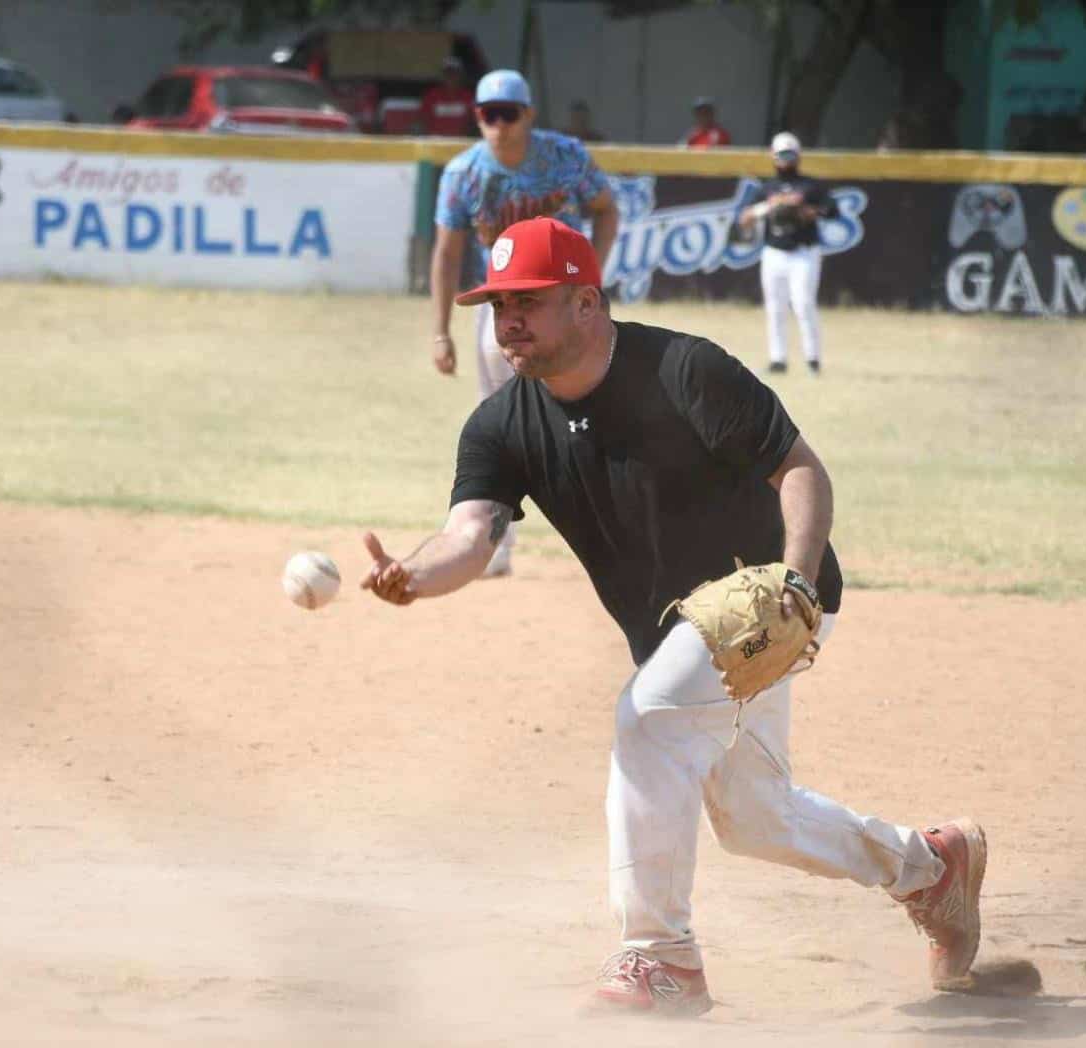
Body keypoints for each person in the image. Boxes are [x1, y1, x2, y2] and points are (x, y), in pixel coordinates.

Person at [364, 215, 986, 1016]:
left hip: (774, 599)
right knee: (757, 819)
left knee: (649, 720)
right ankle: (932, 869)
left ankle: (659, 957)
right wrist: (411, 575)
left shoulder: (685, 370)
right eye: (497, 302)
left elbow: (801, 471)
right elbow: (471, 534)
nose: (507, 319)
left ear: (587, 302)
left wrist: (795, 582)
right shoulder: (502, 423)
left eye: (528, 300)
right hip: (681, 634)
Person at [430, 69, 619, 578]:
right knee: (504, 428)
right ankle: (492, 547)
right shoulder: (464, 173)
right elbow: (447, 255)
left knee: (595, 420)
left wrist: (591, 286)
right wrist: (441, 330)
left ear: (528, 114)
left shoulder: (564, 157)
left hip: (567, 307)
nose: (497, 124)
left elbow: (606, 209)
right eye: (486, 114)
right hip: (505, 311)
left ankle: (619, 539)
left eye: (507, 113)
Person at [737, 131, 837, 374]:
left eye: (790, 154)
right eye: (782, 154)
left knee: (803, 304)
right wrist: (770, 206)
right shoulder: (766, 188)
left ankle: (813, 359)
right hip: (774, 252)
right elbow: (744, 218)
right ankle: (778, 359)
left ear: (798, 155)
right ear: (773, 156)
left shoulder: (811, 186)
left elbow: (832, 211)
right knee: (775, 306)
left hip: (804, 251)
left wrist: (804, 209)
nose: (786, 159)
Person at [419, 56, 476, 137]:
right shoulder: (432, 95)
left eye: (454, 73)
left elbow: (475, 121)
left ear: (461, 75)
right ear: (442, 76)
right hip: (435, 141)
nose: (451, 77)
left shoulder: (468, 96)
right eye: (448, 73)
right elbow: (422, 120)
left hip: (461, 141)